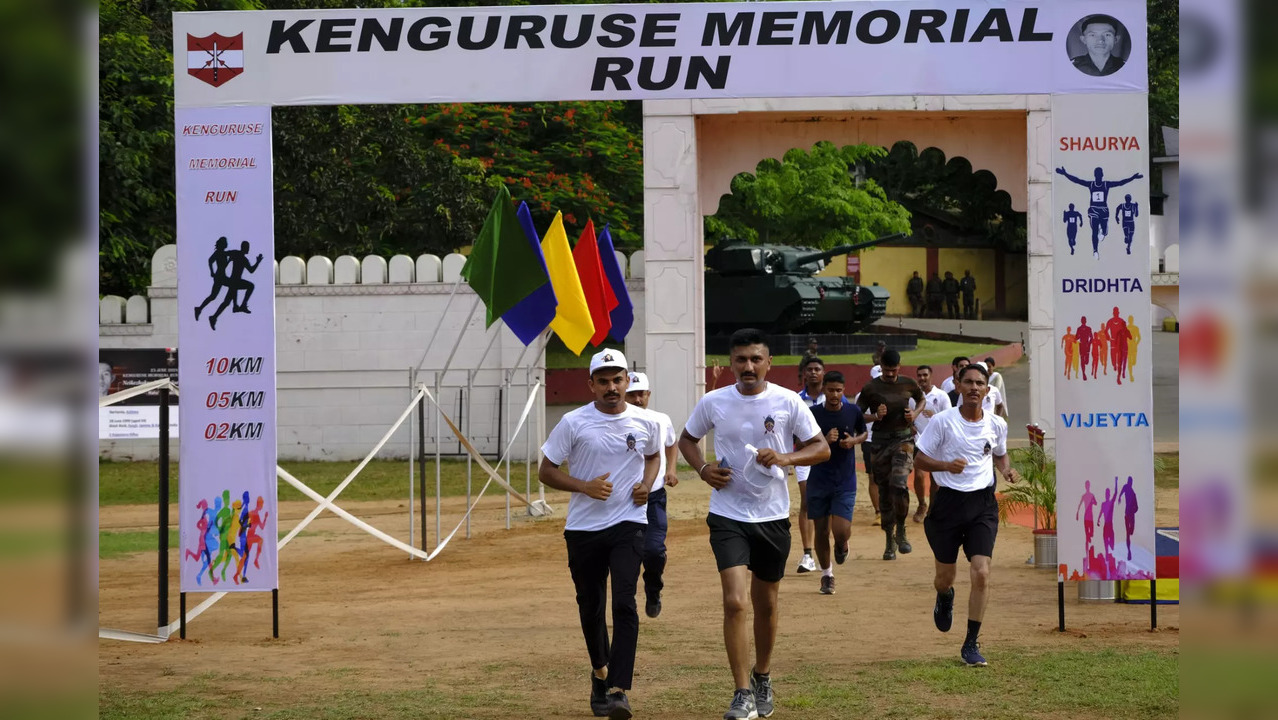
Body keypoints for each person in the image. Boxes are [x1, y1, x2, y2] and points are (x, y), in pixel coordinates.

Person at [678, 328, 829, 720]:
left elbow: (821, 448)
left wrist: (786, 458)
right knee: (735, 601)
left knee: (766, 604)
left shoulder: (787, 401)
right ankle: (741, 691)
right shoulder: (713, 402)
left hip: (773, 517)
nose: (748, 366)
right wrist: (703, 468)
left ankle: (763, 674)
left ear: (768, 363)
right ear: (730, 363)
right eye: (741, 359)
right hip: (728, 514)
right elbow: (687, 440)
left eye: (755, 359)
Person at [539, 349, 662, 720]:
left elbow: (654, 456)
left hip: (629, 523)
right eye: (604, 381)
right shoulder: (573, 423)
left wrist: (646, 482)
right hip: (584, 529)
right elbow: (545, 470)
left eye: (618, 379)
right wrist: (583, 487)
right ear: (591, 385)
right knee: (590, 606)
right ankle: (600, 672)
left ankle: (619, 689)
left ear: (628, 380)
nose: (612, 387)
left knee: (625, 602)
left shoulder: (646, 421)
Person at [915, 363, 1020, 667]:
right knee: (944, 578)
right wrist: (946, 466)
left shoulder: (996, 424)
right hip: (947, 505)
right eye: (969, 382)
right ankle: (945, 596)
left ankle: (971, 643)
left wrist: (1006, 469)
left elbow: (999, 452)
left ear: (988, 390)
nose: (974, 387)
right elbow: (919, 458)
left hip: (982, 505)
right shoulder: (943, 422)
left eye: (980, 383)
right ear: (958, 386)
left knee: (982, 572)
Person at [856, 349, 925, 561]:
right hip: (880, 442)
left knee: (900, 483)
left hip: (903, 440)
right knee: (885, 490)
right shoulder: (871, 388)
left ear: (899, 367)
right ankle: (889, 539)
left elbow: (921, 399)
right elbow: (857, 414)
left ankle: (902, 529)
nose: (890, 375)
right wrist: (875, 416)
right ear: (881, 368)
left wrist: (914, 413)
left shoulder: (908, 383)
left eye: (894, 371)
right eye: (887, 371)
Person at [805, 371, 867, 595]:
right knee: (821, 531)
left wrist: (854, 441)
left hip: (845, 480)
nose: (834, 395)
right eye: (830, 390)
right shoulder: (812, 414)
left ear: (844, 390)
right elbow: (800, 442)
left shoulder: (853, 411)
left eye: (839, 391)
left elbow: (863, 433)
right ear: (823, 389)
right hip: (819, 480)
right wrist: (822, 438)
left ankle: (842, 545)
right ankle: (827, 575)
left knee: (840, 530)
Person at [625, 371, 680, 619]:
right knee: (625, 556)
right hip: (623, 500)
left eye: (641, 394)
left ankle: (653, 588)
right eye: (632, 394)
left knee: (654, 551)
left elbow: (671, 442)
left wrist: (671, 469)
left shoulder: (660, 419)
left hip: (653, 498)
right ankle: (624, 607)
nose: (637, 399)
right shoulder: (614, 422)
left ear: (648, 395)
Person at [1055, 165, 1144, 260]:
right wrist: (1065, 174)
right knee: (1094, 232)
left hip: (1104, 211)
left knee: (1104, 230)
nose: (1098, 176)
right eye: (1096, 174)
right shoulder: (1091, 184)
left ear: (1102, 175)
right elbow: (1077, 180)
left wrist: (1133, 178)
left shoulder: (1106, 184)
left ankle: (1104, 231)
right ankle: (1095, 250)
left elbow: (1120, 183)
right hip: (1093, 210)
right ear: (1094, 175)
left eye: (1099, 174)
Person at [792, 356, 827, 575]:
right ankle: (807, 554)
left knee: (826, 506)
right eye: (810, 369)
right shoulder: (795, 399)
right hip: (803, 456)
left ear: (823, 372)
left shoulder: (834, 395)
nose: (813, 372)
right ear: (804, 373)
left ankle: (833, 543)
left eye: (817, 369)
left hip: (829, 458)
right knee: (807, 501)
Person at [912, 365, 950, 523]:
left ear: (931, 376)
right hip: (919, 441)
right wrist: (911, 426)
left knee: (936, 478)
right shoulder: (913, 397)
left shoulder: (941, 396)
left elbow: (949, 418)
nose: (922, 378)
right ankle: (921, 504)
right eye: (919, 375)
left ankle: (933, 508)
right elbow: (906, 415)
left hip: (938, 442)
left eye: (925, 375)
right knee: (919, 475)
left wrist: (935, 415)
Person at [208, 240, 264, 330]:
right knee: (250, 286)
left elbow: (251, 270)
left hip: (234, 282)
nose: (248, 249)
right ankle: (241, 305)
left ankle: (214, 317)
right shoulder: (237, 254)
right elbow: (223, 253)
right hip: (235, 281)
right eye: (247, 247)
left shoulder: (240, 256)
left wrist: (257, 262)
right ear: (244, 248)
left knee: (226, 302)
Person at [194, 237, 231, 322]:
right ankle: (200, 309)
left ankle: (199, 309)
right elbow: (210, 260)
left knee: (213, 296)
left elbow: (223, 266)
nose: (226, 244)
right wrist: (212, 272)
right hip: (219, 276)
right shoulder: (218, 252)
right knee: (213, 296)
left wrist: (228, 261)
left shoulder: (223, 253)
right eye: (225, 242)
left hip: (222, 276)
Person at [1104, 307, 1132, 385]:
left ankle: (1121, 370)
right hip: (1113, 340)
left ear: (1118, 313)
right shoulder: (1110, 321)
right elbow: (1106, 330)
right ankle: (1114, 365)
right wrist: (1108, 336)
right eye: (1114, 312)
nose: (1116, 313)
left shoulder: (1121, 321)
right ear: (1113, 313)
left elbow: (1126, 330)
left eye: (1117, 312)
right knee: (1113, 355)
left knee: (1120, 356)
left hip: (1121, 342)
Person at [1117, 475, 1139, 562]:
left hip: (1131, 515)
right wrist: (1119, 497)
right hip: (1127, 514)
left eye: (1131, 482)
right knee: (1128, 534)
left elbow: (1137, 507)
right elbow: (1121, 492)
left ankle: (1129, 549)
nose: (1130, 483)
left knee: (1131, 532)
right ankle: (1129, 551)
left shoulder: (1133, 494)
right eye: (1129, 482)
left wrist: (1133, 511)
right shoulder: (1126, 487)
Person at [1076, 480, 1099, 562]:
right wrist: (1077, 513)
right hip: (1086, 518)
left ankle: (1089, 536)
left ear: (1089, 486)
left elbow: (1096, 503)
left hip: (1091, 518)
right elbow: (1080, 504)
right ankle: (1087, 554)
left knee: (1091, 533)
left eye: (1088, 485)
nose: (1087, 486)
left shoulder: (1092, 495)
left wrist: (1093, 502)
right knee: (1087, 536)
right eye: (1086, 485)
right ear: (1085, 486)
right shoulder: (1084, 496)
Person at [1075, 316, 1094, 381]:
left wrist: (1089, 344)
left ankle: (1084, 372)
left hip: (1087, 345)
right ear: (1082, 321)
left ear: (1085, 321)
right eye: (1082, 320)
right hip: (1082, 345)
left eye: (1084, 320)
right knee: (1082, 360)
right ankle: (1083, 374)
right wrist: (1076, 338)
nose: (1083, 321)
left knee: (1086, 362)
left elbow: (1092, 338)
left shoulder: (1089, 328)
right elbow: (1076, 337)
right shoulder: (1079, 329)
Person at [1126, 314, 1141, 381]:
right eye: (1130, 319)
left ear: (1133, 320)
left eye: (1131, 319)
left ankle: (1132, 364)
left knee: (1134, 362)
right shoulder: (1126, 328)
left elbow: (1139, 337)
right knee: (1129, 362)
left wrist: (1136, 344)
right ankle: (1131, 375)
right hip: (1128, 346)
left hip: (1134, 346)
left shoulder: (1136, 328)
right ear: (1128, 320)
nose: (1130, 321)